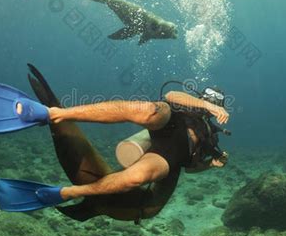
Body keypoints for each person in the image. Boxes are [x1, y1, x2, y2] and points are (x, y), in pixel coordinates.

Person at [44, 86, 230, 200]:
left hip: (172, 152)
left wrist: (210, 164)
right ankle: (56, 113)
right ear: (203, 96)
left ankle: (70, 193)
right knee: (147, 110)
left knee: (136, 178)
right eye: (209, 96)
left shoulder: (212, 135)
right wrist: (205, 105)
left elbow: (191, 167)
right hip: (170, 121)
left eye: (216, 100)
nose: (212, 100)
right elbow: (172, 94)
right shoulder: (191, 102)